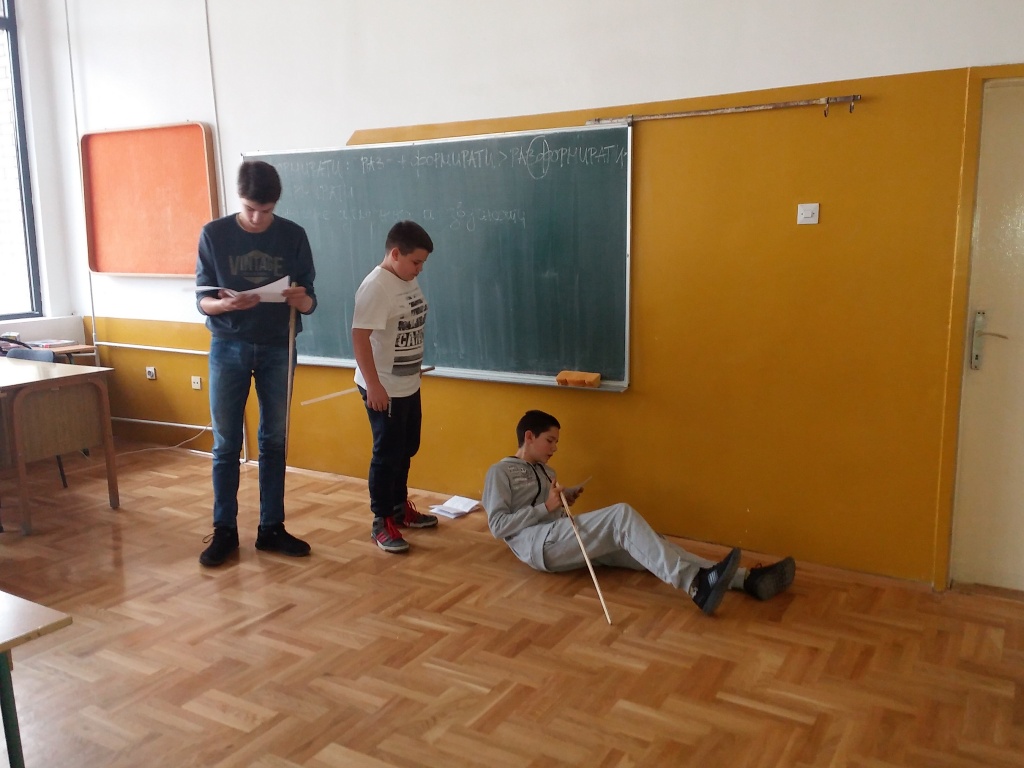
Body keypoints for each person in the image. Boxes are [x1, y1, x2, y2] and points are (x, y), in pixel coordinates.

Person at [482, 410, 796, 615]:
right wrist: (546, 507)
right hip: (537, 547)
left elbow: (552, 515)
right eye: (550, 440)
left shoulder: (548, 472)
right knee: (621, 515)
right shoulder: (500, 472)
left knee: (650, 543)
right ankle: (696, 585)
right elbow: (497, 526)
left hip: (561, 536)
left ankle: (745, 580)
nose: (555, 448)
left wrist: (562, 503)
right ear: (529, 437)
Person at [195, 160, 317, 567]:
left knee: (274, 440)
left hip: (278, 346)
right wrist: (226, 305)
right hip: (227, 345)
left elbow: (310, 300)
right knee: (226, 442)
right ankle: (224, 531)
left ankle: (271, 528)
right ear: (239, 198)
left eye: (266, 211)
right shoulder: (214, 234)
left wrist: (302, 299)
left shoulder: (293, 235)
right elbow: (202, 301)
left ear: (275, 204)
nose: (257, 218)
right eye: (250, 209)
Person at [352, 220, 438, 553]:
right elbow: (360, 337)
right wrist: (374, 385)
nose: (420, 269)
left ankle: (400, 509)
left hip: (408, 383)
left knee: (406, 448)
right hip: (383, 388)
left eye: (423, 263)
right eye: (416, 262)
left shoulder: (406, 278)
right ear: (396, 253)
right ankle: (381, 521)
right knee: (386, 455)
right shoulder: (376, 287)